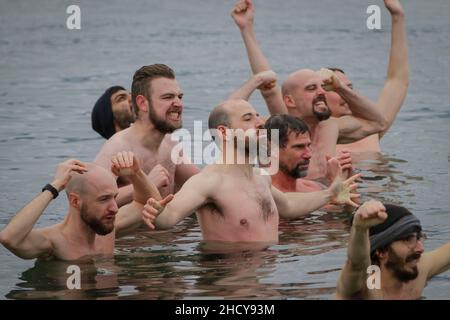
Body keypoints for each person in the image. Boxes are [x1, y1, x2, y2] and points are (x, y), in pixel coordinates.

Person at [142, 99, 360, 243]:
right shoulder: (209, 182)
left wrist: (331, 193)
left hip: (266, 281)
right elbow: (169, 217)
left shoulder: (260, 177)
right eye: (248, 119)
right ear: (224, 132)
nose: (260, 123)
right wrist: (155, 211)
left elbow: (289, 205)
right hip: (230, 284)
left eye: (258, 116)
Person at [231, 0, 388, 180]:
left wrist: (340, 87)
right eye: (311, 88)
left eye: (323, 87)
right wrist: (247, 29)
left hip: (330, 200)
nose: (321, 92)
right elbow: (262, 91)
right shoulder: (278, 128)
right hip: (296, 202)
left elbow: (379, 123)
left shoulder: (332, 127)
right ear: (290, 102)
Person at [0, 152, 161, 261]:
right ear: (75, 201)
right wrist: (53, 187)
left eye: (115, 197)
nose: (115, 208)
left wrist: (136, 173)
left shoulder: (109, 229)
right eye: (104, 199)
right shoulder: (54, 243)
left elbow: (149, 204)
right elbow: (10, 239)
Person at [94, 64, 199, 207]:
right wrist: (144, 185)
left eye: (179, 97)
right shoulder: (118, 147)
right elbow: (92, 202)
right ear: (143, 103)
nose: (178, 103)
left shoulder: (171, 145)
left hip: (170, 227)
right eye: (168, 97)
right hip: (135, 229)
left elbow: (201, 184)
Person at [327, 0, 409, 153]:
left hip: (378, 176)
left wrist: (397, 16)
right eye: (337, 88)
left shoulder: (370, 127)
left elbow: (398, 81)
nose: (346, 92)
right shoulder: (308, 136)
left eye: (349, 88)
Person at [336, 200, 450, 299]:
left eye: (418, 237)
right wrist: (360, 228)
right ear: (381, 251)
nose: (421, 248)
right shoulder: (368, 286)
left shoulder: (417, 270)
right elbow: (357, 264)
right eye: (408, 239)